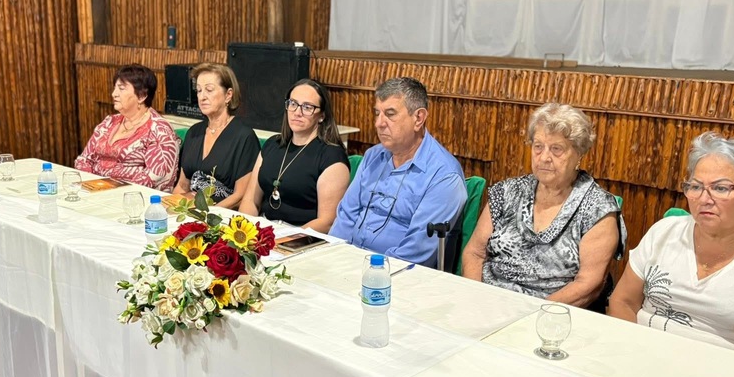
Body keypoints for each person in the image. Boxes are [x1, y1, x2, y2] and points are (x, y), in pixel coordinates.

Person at [609, 132, 734, 363]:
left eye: (720, 188)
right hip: (640, 355)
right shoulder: (664, 232)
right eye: (696, 186)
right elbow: (623, 302)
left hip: (728, 375)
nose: (704, 198)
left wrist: (714, 376)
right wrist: (635, 351)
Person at [462, 103, 624, 309]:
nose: (544, 157)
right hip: (486, 303)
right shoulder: (507, 192)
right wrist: (476, 298)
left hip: (549, 315)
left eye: (556, 149)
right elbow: (474, 253)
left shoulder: (597, 209)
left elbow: (589, 284)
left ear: (579, 154)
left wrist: (529, 313)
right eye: (538, 146)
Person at [329, 77, 465, 267]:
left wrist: (367, 271)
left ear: (418, 118)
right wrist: (332, 258)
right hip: (346, 264)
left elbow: (415, 254)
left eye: (390, 114)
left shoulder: (443, 176)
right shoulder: (373, 156)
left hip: (395, 277)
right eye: (377, 113)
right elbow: (346, 217)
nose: (379, 123)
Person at [239, 79, 349, 233]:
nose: (297, 112)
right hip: (263, 230)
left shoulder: (331, 157)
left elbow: (327, 222)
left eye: (307, 107)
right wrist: (244, 234)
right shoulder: (272, 144)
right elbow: (250, 201)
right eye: (293, 104)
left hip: (302, 236)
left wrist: (285, 240)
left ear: (322, 115)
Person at [74, 64, 179, 191]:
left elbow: (155, 178)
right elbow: (84, 159)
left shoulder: (159, 130)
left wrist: (107, 188)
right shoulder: (109, 122)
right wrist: (91, 185)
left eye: (121, 89)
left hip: (135, 199)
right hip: (93, 191)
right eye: (114, 88)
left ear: (142, 96)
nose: (114, 94)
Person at [174, 63, 260, 209]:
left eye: (209, 90)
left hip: (222, 215)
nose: (202, 97)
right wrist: (172, 209)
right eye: (199, 90)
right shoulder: (194, 132)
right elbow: (182, 186)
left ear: (228, 95)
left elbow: (241, 196)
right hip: (190, 211)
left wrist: (207, 212)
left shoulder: (244, 136)